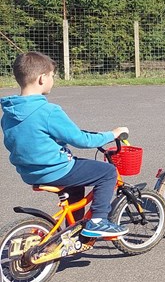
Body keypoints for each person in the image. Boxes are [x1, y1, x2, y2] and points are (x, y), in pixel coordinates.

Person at [1, 52, 129, 237]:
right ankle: (98, 221)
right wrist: (112, 134)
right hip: (56, 169)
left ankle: (75, 229)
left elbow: (25, 138)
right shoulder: (48, 111)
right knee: (107, 172)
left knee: (76, 188)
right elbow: (81, 140)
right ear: (42, 78)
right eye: (52, 76)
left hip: (30, 172)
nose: (53, 80)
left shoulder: (9, 113)